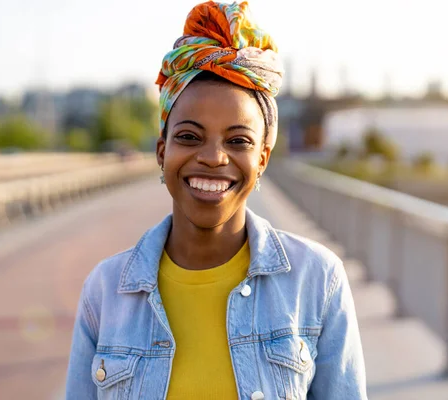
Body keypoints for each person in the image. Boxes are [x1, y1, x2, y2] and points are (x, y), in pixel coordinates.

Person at [65, 1, 367, 399]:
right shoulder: (105, 291)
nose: (212, 157)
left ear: (262, 159)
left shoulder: (317, 281)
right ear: (162, 152)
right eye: (189, 136)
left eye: (237, 140)